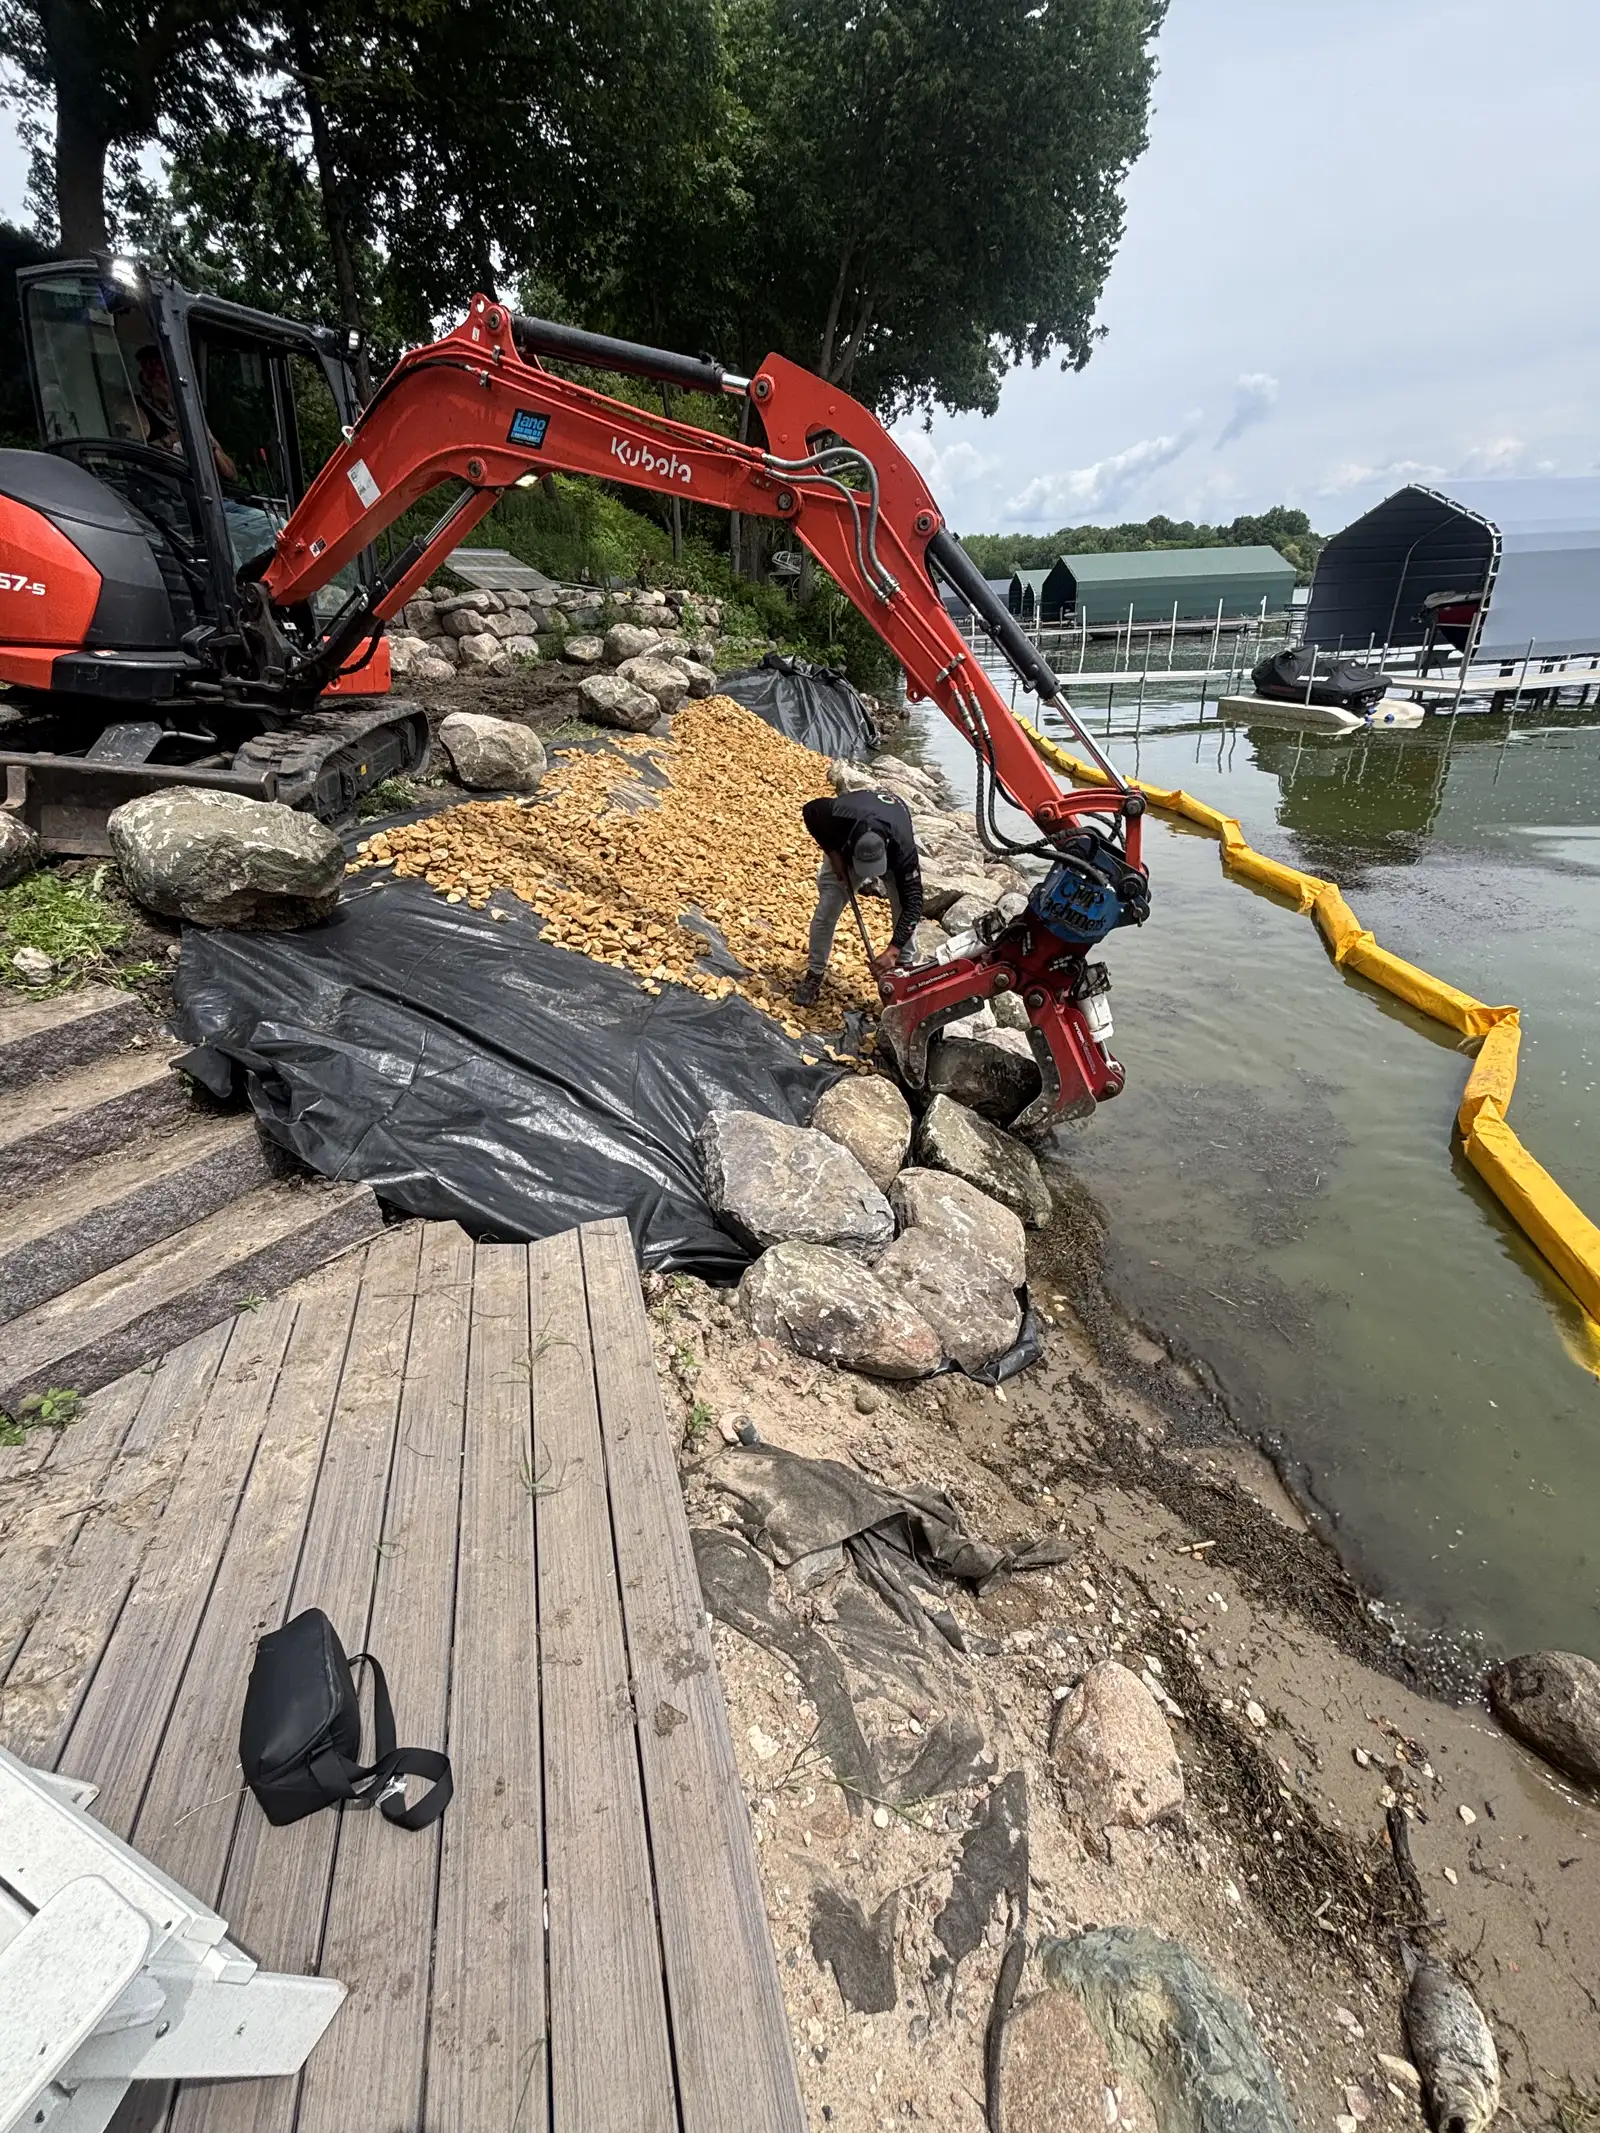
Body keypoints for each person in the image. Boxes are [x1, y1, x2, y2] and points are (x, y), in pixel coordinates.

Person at [794, 786, 923, 1006]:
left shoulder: (903, 850)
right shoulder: (835, 817)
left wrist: (893, 949)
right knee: (827, 909)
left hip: (891, 837)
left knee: (904, 908)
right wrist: (833, 853)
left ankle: (902, 970)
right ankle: (814, 974)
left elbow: (915, 903)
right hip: (844, 845)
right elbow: (810, 811)